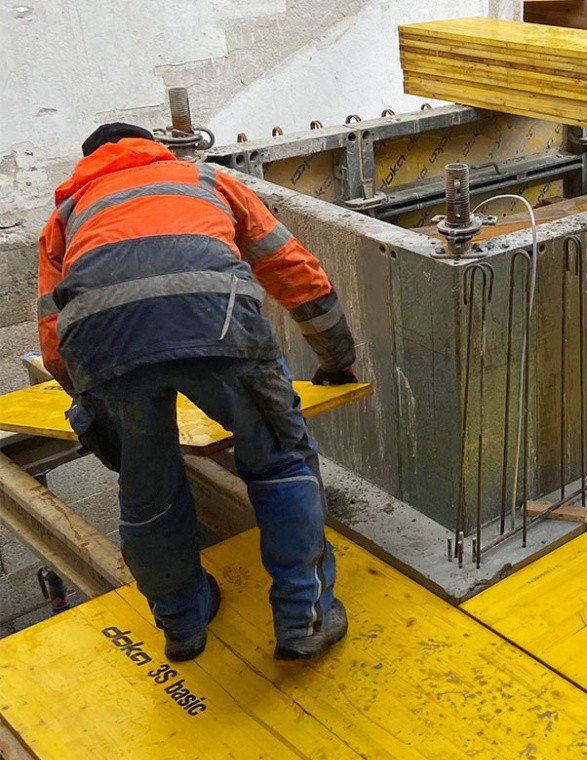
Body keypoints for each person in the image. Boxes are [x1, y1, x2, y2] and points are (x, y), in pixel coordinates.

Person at [37, 123, 358, 662]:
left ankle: (183, 624)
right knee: (280, 464)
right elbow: (292, 269)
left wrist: (94, 399)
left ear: (89, 163)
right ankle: (305, 618)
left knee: (149, 488)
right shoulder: (203, 178)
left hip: (104, 348)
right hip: (220, 323)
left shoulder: (67, 215)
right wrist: (336, 358)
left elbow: (52, 334)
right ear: (156, 150)